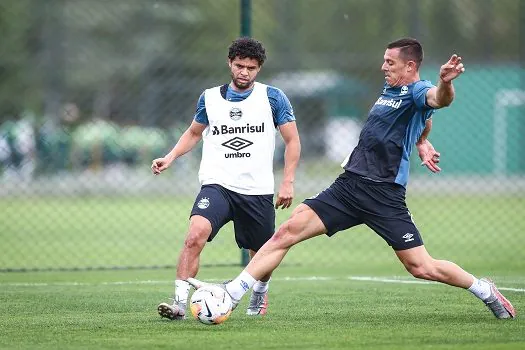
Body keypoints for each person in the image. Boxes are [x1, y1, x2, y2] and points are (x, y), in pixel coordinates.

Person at [188, 37, 516, 320]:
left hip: (383, 196)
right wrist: (421, 140)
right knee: (286, 232)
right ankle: (233, 294)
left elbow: (437, 102)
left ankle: (483, 289)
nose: (383, 66)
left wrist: (445, 83)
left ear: (410, 66)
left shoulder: (419, 90)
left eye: (390, 62)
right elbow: (423, 121)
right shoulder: (391, 90)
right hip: (347, 187)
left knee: (421, 267)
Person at [151, 37, 301, 320]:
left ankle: (260, 290)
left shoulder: (273, 97)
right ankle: (180, 304)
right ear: (230, 64)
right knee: (195, 234)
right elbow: (194, 133)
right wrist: (169, 157)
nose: (244, 72)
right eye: (239, 66)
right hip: (217, 184)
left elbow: (292, 141)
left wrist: (288, 181)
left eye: (251, 68)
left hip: (257, 190)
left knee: (263, 255)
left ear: (259, 68)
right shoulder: (209, 97)